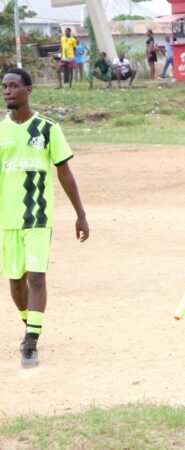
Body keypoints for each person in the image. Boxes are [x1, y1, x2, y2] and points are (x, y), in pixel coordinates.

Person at [1, 68, 90, 367]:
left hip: (37, 217)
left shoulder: (48, 128)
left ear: (28, 90)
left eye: (13, 86)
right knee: (16, 282)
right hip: (7, 220)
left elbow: (64, 172)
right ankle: (29, 324)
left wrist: (80, 213)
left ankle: (30, 342)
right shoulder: (0, 131)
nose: (7, 91)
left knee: (37, 277)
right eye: (4, 87)